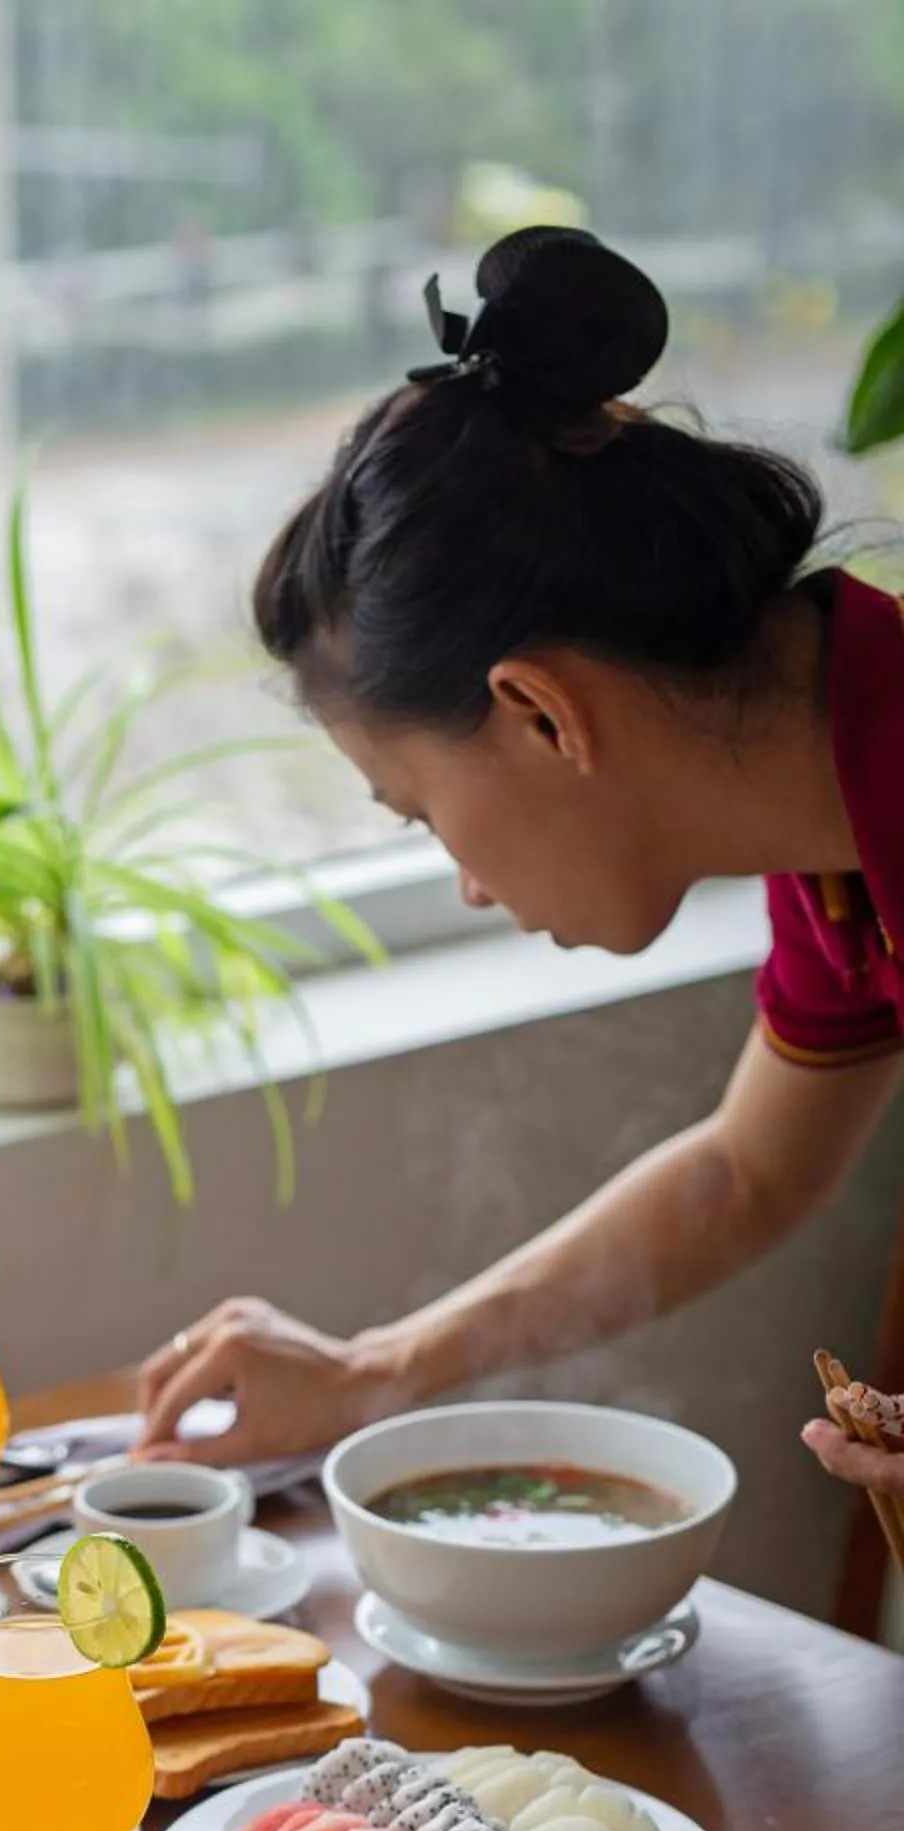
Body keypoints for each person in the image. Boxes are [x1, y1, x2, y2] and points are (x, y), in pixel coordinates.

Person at [137, 227, 904, 1511]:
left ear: (540, 715)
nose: (470, 889)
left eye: (423, 815)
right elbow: (742, 1172)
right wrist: (374, 1370)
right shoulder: (833, 826)